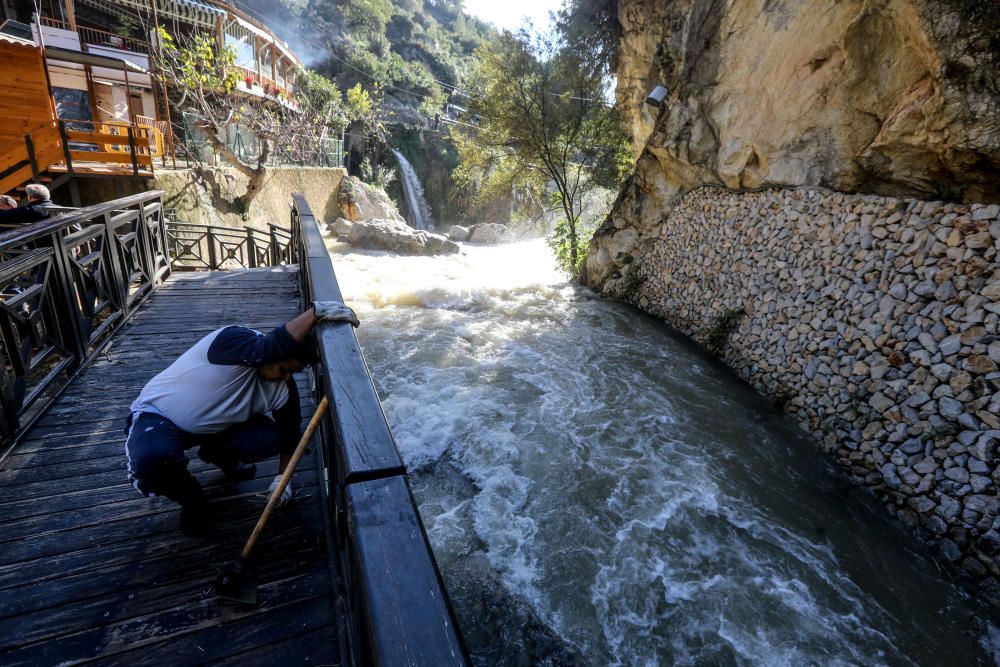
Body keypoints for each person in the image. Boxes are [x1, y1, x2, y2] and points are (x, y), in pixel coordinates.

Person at [124, 302, 359, 536]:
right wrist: (315, 313)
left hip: (216, 426)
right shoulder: (234, 339)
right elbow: (266, 349)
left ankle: (217, 453)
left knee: (270, 438)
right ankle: (192, 498)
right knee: (152, 461)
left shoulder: (282, 388)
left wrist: (282, 480)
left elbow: (290, 437)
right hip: (159, 416)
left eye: (291, 372)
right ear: (274, 352)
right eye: (281, 367)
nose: (284, 376)